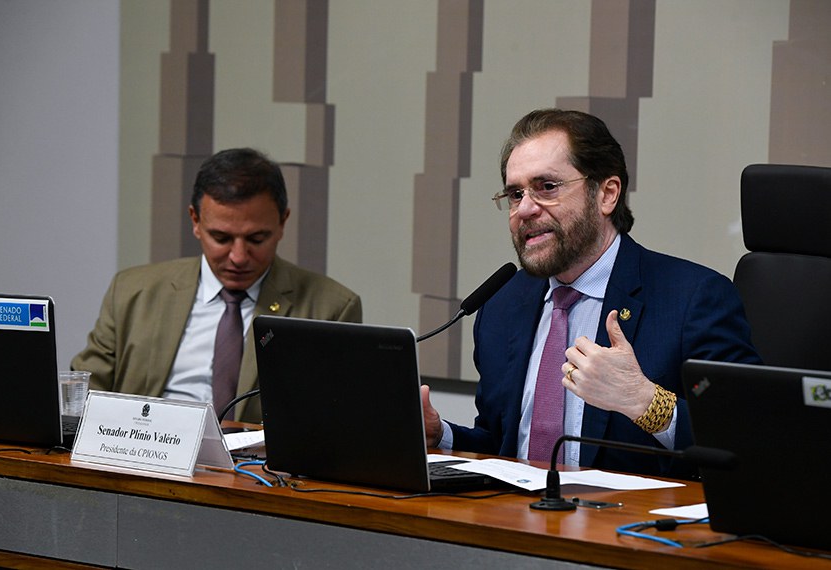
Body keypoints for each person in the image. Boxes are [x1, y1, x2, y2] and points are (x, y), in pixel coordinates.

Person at [421, 109, 760, 478]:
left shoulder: (693, 299)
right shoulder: (502, 305)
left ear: (607, 194)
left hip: (628, 530)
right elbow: (504, 447)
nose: (525, 209)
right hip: (511, 526)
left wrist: (646, 401)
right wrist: (442, 436)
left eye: (546, 187)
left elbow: (750, 440)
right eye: (515, 194)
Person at [72, 148, 362, 422]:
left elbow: (336, 423)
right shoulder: (132, 292)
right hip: (145, 459)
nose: (238, 257)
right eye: (221, 238)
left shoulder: (331, 309)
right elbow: (82, 395)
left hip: (257, 471)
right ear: (195, 221)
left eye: (256, 239)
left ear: (283, 223)